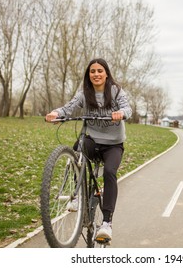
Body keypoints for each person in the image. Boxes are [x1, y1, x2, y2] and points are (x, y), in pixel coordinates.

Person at [45, 58, 132, 242]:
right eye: (92, 71)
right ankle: (75, 195)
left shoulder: (115, 91)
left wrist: (121, 113)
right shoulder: (84, 93)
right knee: (77, 150)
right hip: (91, 140)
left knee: (109, 172)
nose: (96, 74)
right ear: (88, 75)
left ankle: (107, 223)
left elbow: (127, 107)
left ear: (106, 73)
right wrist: (56, 114)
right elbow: (69, 108)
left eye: (100, 71)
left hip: (113, 145)